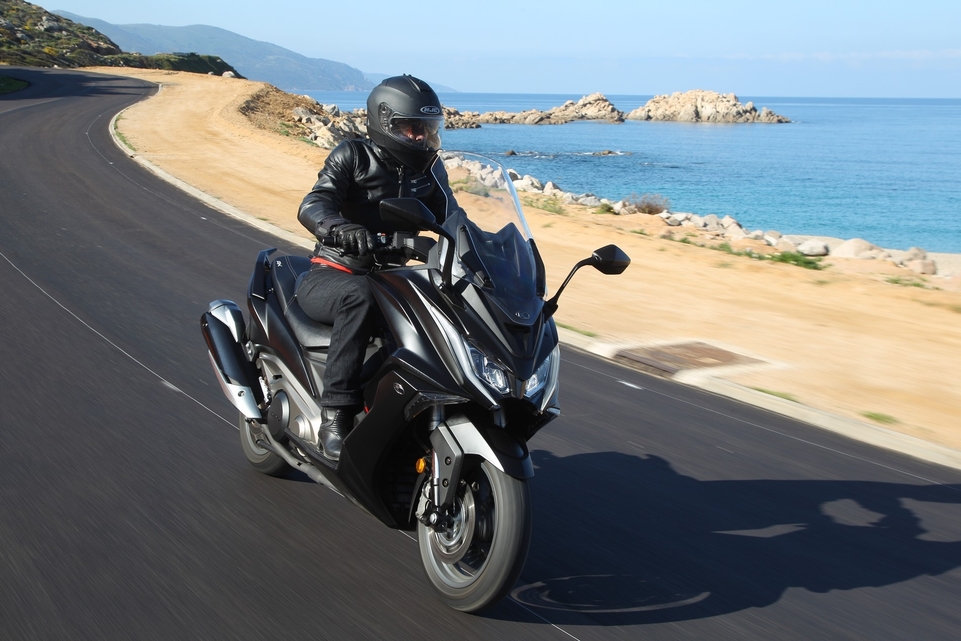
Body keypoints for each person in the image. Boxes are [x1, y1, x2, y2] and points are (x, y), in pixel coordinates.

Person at [294, 75, 457, 461]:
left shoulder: (431, 170)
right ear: (385, 123)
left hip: (394, 280)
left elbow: (453, 218)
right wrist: (340, 228)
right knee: (360, 295)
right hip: (336, 274)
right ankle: (335, 415)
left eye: (427, 127)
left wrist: (485, 250)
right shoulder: (352, 155)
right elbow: (313, 204)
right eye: (411, 127)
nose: (421, 136)